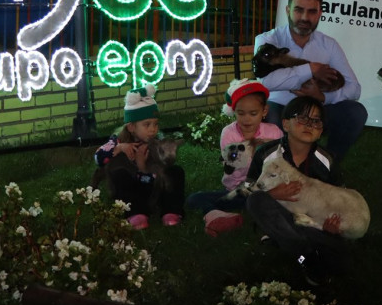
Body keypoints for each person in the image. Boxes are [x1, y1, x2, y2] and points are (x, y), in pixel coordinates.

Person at [254, 0, 367, 161]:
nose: (305, 18)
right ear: (287, 10)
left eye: (312, 12)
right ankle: (280, 168)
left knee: (355, 112)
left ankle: (327, 166)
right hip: (280, 109)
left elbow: (355, 89)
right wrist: (311, 69)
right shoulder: (268, 40)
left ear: (320, 13)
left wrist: (322, 97)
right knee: (270, 113)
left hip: (316, 108)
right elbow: (266, 82)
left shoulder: (328, 44)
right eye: (299, 10)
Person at [244, 96, 347, 286]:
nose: (309, 125)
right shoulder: (267, 154)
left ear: (321, 130)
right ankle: (306, 255)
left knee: (341, 248)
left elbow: (338, 199)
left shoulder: (327, 160)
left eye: (316, 121)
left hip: (312, 222)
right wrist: (272, 195)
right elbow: (248, 190)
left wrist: (332, 223)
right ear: (285, 124)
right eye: (302, 118)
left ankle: (288, 244)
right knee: (256, 201)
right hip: (278, 216)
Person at [185, 79, 282, 236]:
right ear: (233, 111)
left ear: (264, 111)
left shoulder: (274, 132)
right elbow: (233, 171)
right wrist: (253, 146)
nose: (246, 119)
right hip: (239, 190)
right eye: (240, 113)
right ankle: (216, 216)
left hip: (268, 190)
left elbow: (279, 166)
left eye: (253, 113)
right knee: (194, 199)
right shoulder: (228, 133)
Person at [94, 85, 186, 230]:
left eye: (155, 124)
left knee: (175, 172)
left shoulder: (156, 142)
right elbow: (99, 158)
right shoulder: (117, 141)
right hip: (132, 192)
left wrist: (143, 167)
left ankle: (170, 211)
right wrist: (119, 148)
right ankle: (136, 214)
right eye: (147, 124)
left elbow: (162, 171)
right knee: (120, 175)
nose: (153, 129)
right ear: (131, 127)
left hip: (151, 186)